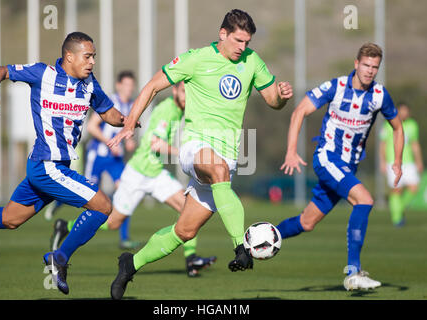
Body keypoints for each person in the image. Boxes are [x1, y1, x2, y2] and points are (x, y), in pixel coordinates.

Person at [107, 9, 293, 300]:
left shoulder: (252, 61)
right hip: (195, 147)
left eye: (247, 42)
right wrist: (130, 123)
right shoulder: (195, 58)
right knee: (217, 170)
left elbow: (273, 101)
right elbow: (153, 85)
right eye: (238, 41)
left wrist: (281, 95)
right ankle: (241, 246)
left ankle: (130, 265)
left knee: (184, 231)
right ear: (223, 34)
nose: (243, 47)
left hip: (227, 157)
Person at [0, 32, 129, 295]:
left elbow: (108, 113)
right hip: (46, 166)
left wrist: (129, 120)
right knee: (104, 207)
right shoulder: (41, 73)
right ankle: (59, 258)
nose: (92, 62)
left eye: (94, 56)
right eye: (88, 56)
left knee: (10, 219)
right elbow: (0, 70)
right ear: (69, 56)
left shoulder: (89, 84)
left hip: (56, 168)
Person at [51, 82, 217, 277]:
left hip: (156, 174)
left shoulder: (179, 111)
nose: (186, 97)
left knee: (188, 209)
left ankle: (191, 260)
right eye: (183, 92)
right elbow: (156, 145)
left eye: (189, 93)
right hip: (138, 173)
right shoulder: (168, 110)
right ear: (174, 92)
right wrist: (185, 153)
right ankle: (66, 226)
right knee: (113, 223)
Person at [277, 43, 404, 291]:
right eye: (365, 65)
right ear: (356, 64)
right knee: (365, 200)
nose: (369, 71)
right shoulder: (335, 87)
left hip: (348, 168)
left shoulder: (379, 95)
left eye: (374, 67)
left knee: (307, 222)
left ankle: (260, 241)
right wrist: (291, 151)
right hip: (327, 158)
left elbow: (398, 127)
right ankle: (353, 272)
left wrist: (397, 160)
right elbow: (299, 112)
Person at [47, 71, 139, 249]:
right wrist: (109, 142)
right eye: (125, 85)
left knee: (126, 191)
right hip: (97, 157)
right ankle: (59, 204)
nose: (128, 89)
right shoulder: (110, 103)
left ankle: (124, 238)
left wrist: (129, 141)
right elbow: (92, 127)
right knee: (87, 195)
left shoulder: (132, 106)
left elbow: (124, 131)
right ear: (118, 85)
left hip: (115, 160)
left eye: (131, 86)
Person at [379, 102, 423, 227]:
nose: (404, 113)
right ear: (397, 111)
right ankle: (397, 218)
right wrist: (382, 161)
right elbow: (383, 144)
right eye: (402, 110)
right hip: (393, 162)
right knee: (397, 189)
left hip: (408, 162)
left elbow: (414, 144)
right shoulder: (388, 124)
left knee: (414, 187)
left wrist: (419, 161)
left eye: (406, 111)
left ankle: (398, 208)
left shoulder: (412, 125)